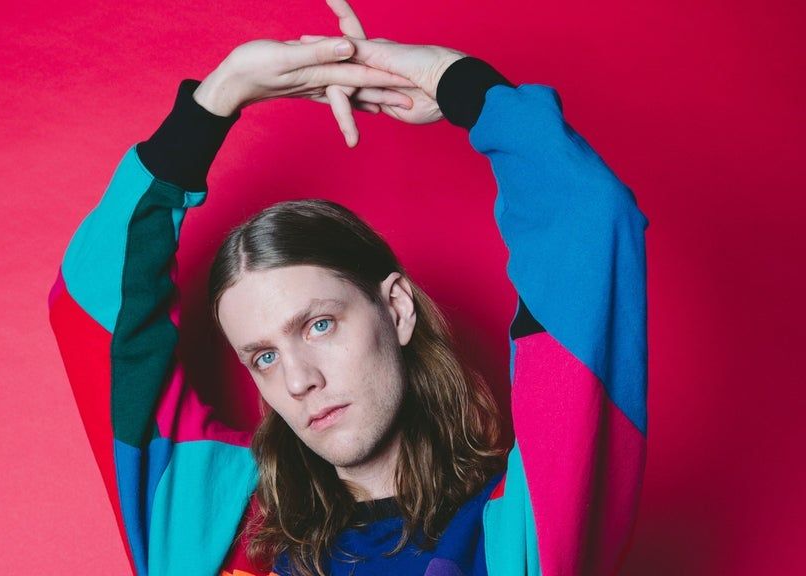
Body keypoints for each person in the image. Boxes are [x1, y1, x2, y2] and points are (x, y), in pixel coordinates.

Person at [47, 2, 649, 575]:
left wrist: (456, 81)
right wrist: (218, 97)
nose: (298, 380)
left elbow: (586, 221)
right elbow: (90, 306)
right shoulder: (220, 524)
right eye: (263, 357)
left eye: (319, 325)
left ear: (397, 308)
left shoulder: (518, 530)